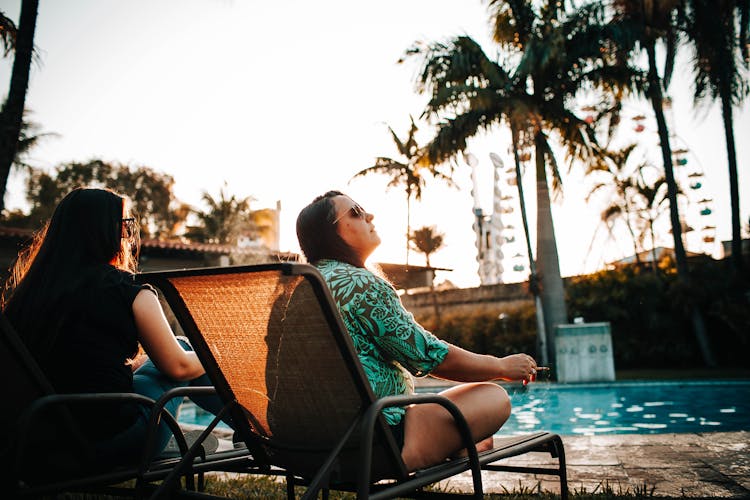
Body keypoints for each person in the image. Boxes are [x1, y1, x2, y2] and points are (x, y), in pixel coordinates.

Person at [296, 190, 540, 471]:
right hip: (370, 446)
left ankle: (450, 440)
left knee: (446, 405)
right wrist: (501, 366)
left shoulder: (294, 289)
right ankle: (438, 447)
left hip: (303, 447)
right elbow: (429, 356)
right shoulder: (361, 285)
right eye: (355, 212)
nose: (369, 216)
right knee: (493, 397)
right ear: (331, 233)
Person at [2, 187, 226, 467]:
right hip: (109, 443)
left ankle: (234, 431)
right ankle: (257, 432)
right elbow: (178, 368)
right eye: (125, 224)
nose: (128, 234)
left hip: (42, 443)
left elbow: (75, 364)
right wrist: (220, 355)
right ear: (107, 231)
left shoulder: (31, 294)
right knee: (181, 349)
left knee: (149, 369)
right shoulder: (127, 290)